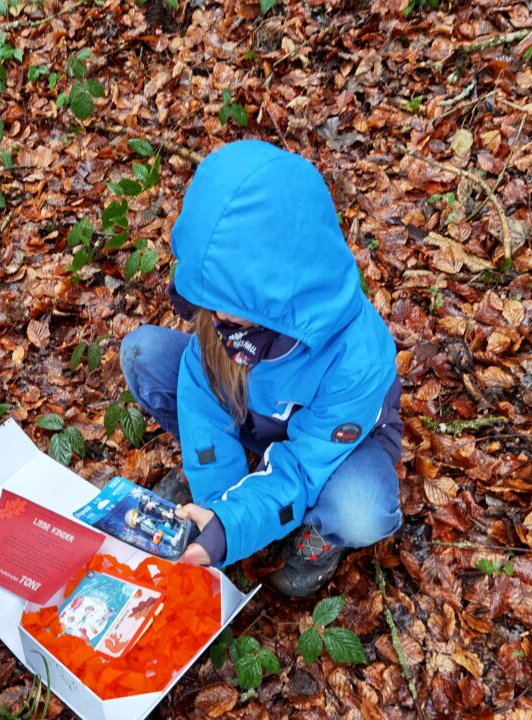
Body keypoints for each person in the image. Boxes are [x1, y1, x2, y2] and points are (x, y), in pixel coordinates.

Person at [120, 141, 404, 597]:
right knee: (145, 355)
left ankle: (320, 529)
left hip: (334, 450)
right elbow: (205, 415)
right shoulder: (225, 326)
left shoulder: (358, 357)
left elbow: (305, 467)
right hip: (259, 418)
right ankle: (240, 489)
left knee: (361, 508)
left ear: (283, 289)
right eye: (211, 306)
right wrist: (219, 514)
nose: (215, 320)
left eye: (229, 310)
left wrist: (231, 529)